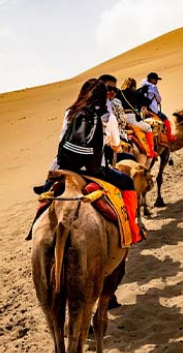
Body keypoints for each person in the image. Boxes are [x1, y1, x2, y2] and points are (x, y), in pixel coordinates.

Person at [53, 79, 143, 243]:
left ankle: (34, 226)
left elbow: (62, 140)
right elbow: (115, 144)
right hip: (93, 169)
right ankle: (132, 231)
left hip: (64, 166)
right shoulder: (107, 116)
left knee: (48, 193)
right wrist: (114, 146)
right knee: (127, 182)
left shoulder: (70, 112)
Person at [117, 77, 157, 158]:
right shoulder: (135, 93)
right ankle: (151, 151)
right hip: (130, 118)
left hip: (120, 120)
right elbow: (147, 102)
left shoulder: (119, 93)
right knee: (148, 127)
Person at [139, 72, 175, 142]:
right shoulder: (153, 87)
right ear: (152, 80)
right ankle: (170, 136)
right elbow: (159, 99)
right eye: (156, 80)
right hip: (153, 110)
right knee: (165, 119)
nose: (157, 82)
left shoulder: (142, 88)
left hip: (143, 111)